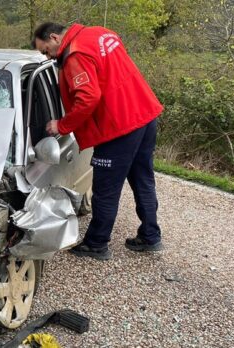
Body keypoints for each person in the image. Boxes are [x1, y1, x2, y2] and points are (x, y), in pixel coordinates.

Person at [32, 22, 164, 260]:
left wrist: (61, 125)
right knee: (143, 178)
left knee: (105, 190)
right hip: (144, 114)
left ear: (54, 37)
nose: (50, 57)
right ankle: (150, 236)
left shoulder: (75, 54)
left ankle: (96, 244)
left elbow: (88, 98)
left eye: (46, 50)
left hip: (118, 127)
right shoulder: (100, 33)